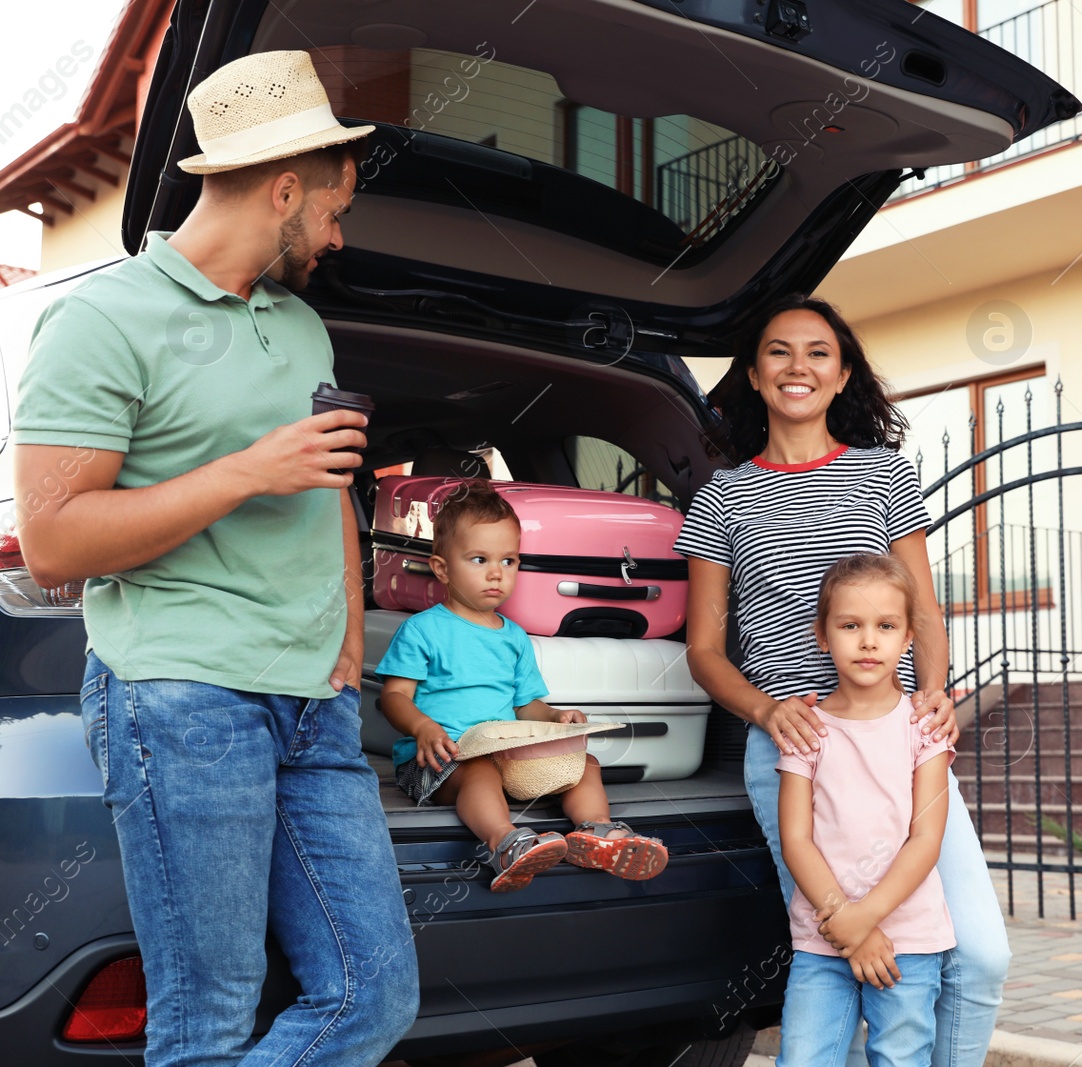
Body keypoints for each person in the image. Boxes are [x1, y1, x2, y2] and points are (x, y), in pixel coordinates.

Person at [13, 51, 417, 1067]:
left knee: (374, 994)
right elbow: (58, 542)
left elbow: (327, 483)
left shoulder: (300, 326)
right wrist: (245, 471)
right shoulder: (103, 320)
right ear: (284, 187)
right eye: (333, 209)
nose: (336, 234)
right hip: (184, 700)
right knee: (207, 1021)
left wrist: (346, 646)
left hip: (314, 708)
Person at [676, 294, 1010, 1067]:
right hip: (797, 748)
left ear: (842, 372)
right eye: (780, 352)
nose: (799, 366)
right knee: (853, 953)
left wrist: (936, 691)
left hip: (901, 740)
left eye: (818, 351)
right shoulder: (722, 497)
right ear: (754, 377)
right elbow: (704, 650)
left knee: (979, 957)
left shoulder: (883, 475)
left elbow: (923, 608)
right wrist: (766, 710)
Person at [375, 480, 669, 890]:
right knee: (477, 770)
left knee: (582, 764)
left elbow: (526, 704)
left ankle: (598, 834)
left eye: (509, 561)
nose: (496, 573)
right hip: (439, 762)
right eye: (479, 559)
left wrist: (554, 717)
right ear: (441, 568)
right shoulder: (422, 631)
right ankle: (505, 843)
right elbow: (392, 698)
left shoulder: (514, 636)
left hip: (506, 755)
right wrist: (422, 728)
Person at [776, 554, 956, 1067]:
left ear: (907, 639)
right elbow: (797, 840)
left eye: (886, 626)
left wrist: (868, 920)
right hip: (822, 938)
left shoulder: (924, 728)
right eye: (851, 625)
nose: (869, 640)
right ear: (823, 635)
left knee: (900, 1059)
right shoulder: (807, 728)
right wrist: (846, 922)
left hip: (910, 940)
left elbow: (925, 838)